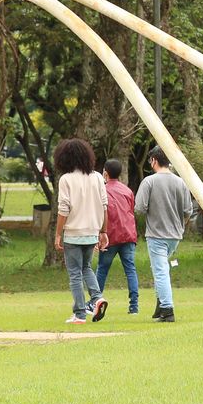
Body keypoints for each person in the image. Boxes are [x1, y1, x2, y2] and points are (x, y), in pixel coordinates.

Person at [53, 138, 109, 324]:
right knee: (86, 268)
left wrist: (58, 233)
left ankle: (79, 313)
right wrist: (103, 232)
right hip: (92, 230)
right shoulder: (98, 178)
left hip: (73, 232)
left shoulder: (66, 179)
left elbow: (64, 209)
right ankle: (97, 298)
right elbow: (104, 206)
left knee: (75, 273)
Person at [134, 146, 192, 322]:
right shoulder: (180, 182)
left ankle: (167, 309)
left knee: (160, 271)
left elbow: (139, 208)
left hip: (157, 234)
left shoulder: (149, 182)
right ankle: (160, 307)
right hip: (175, 235)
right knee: (161, 269)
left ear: (154, 161)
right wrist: (180, 226)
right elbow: (188, 210)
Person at [96, 159, 140, 315]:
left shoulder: (102, 190)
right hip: (128, 235)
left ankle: (96, 300)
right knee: (130, 269)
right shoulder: (127, 191)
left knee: (102, 269)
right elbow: (131, 211)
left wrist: (99, 234)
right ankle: (134, 306)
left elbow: (100, 213)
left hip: (110, 235)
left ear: (105, 173)